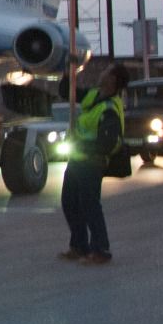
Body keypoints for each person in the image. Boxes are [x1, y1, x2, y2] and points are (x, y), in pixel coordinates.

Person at [60, 65, 127, 266]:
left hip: (92, 162)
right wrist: (67, 73)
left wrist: (82, 144)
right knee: (70, 202)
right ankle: (79, 245)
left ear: (112, 80)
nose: (101, 73)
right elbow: (68, 93)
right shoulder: (94, 96)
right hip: (77, 160)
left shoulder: (109, 109)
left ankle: (101, 249)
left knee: (90, 206)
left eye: (105, 71)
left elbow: (107, 142)